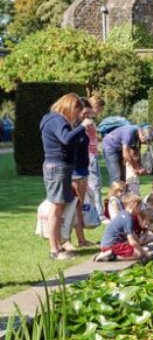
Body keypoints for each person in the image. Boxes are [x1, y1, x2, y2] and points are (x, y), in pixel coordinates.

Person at [40, 93, 93, 260]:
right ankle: (54, 250)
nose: (76, 116)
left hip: (60, 167)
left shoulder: (52, 119)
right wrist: (82, 126)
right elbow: (66, 139)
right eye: (76, 112)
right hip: (57, 167)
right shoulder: (56, 120)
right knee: (56, 209)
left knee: (61, 207)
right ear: (70, 107)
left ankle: (59, 246)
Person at [70, 99, 97, 248]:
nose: (87, 117)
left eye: (89, 114)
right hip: (75, 171)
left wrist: (91, 132)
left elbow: (91, 146)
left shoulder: (84, 127)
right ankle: (74, 240)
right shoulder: (73, 127)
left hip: (83, 169)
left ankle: (81, 239)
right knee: (75, 205)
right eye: (85, 113)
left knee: (79, 205)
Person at [94, 196, 152, 263]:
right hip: (111, 246)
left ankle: (106, 253)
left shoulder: (123, 214)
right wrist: (143, 253)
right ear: (135, 205)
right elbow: (132, 242)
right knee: (138, 254)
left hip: (106, 245)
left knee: (142, 249)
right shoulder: (128, 219)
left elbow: (133, 235)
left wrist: (141, 246)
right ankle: (110, 255)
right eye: (140, 207)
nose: (140, 209)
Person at [87, 96, 106, 221]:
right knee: (95, 184)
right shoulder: (86, 120)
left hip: (92, 153)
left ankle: (97, 211)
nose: (100, 112)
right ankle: (99, 213)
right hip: (89, 155)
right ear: (95, 107)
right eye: (100, 109)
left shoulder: (90, 120)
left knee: (96, 183)